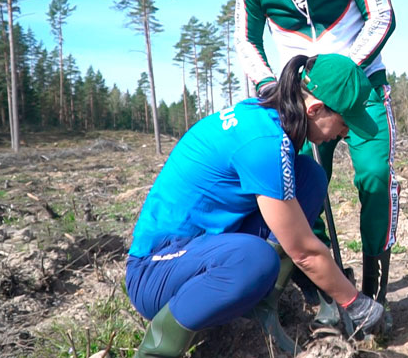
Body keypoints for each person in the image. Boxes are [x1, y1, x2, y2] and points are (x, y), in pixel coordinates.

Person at [125, 54, 385, 357]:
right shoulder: (263, 143)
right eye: (344, 123)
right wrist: (356, 303)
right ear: (315, 109)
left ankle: (261, 309)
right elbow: (303, 251)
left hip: (203, 249)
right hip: (156, 271)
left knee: (309, 177)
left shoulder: (265, 117)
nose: (345, 133)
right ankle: (155, 350)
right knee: (256, 259)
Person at [235, 0, 399, 329]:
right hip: (298, 96)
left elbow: (383, 16)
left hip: (360, 83)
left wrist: (339, 72)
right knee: (298, 186)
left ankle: (374, 285)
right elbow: (247, 41)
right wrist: (276, 86)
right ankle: (330, 292)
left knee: (375, 176)